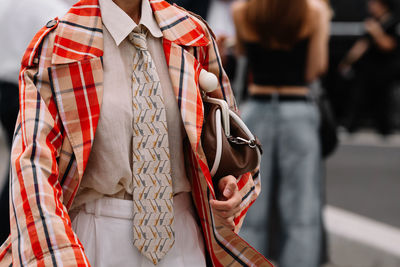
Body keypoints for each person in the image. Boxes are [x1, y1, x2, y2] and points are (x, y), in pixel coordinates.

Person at [0, 0, 271, 266]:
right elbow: (33, 164)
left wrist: (232, 187)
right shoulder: (60, 43)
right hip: (95, 240)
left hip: (186, 236)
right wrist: (57, 256)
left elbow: (229, 134)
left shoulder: (191, 34)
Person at [232, 0, 330, 266]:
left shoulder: (242, 11)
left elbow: (242, 53)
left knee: (251, 203)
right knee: (301, 208)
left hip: (256, 111)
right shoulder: (315, 12)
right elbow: (315, 68)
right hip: (297, 109)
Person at [0, 0, 71, 244]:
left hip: (5, 88)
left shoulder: (6, 5)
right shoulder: (53, 10)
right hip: (30, 89)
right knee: (33, 160)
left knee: (17, 156)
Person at [339, 0, 399, 135]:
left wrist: (376, 32)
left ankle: (385, 128)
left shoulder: (392, 22)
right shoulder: (372, 21)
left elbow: (388, 45)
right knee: (358, 96)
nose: (370, 7)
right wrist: (348, 61)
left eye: (374, 4)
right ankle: (351, 125)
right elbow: (362, 44)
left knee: (383, 99)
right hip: (368, 68)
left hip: (385, 69)